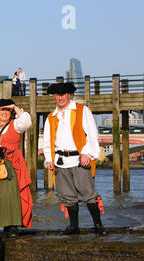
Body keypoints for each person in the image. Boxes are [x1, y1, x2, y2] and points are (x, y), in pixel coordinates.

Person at [43, 82, 106, 235]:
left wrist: (88, 154)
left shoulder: (82, 110)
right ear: (54, 97)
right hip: (60, 160)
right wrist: (49, 159)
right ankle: (74, 227)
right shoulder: (51, 117)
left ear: (68, 94)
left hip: (79, 159)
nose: (60, 97)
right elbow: (47, 140)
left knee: (88, 194)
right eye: (57, 95)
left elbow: (92, 134)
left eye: (63, 94)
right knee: (68, 196)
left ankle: (98, 226)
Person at [0, 99, 33, 237]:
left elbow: (27, 121)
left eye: (7, 110)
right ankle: (4, 225)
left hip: (12, 164)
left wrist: (15, 106)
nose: (5, 113)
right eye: (2, 110)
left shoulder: (16, 125)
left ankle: (13, 226)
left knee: (12, 195)